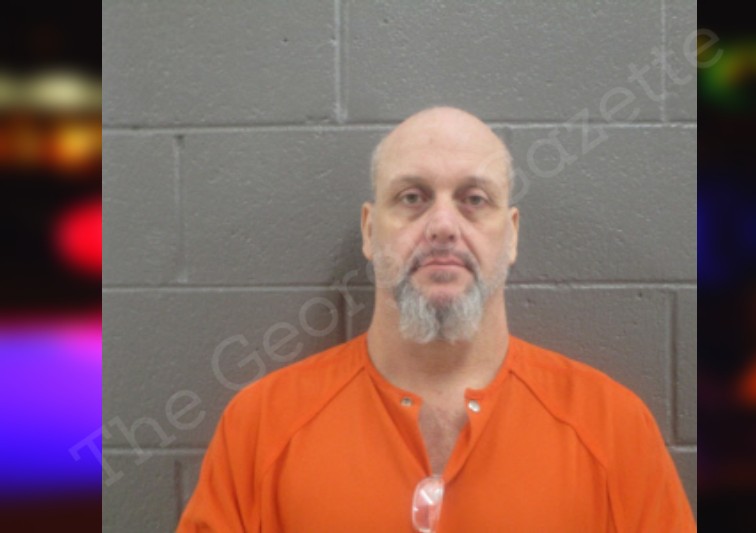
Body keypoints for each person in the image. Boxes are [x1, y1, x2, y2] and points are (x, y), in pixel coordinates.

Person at [177, 107, 695, 532]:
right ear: (369, 230)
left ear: (511, 234)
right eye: (412, 198)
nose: (443, 225)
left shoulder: (614, 429)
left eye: (474, 200)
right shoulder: (259, 428)